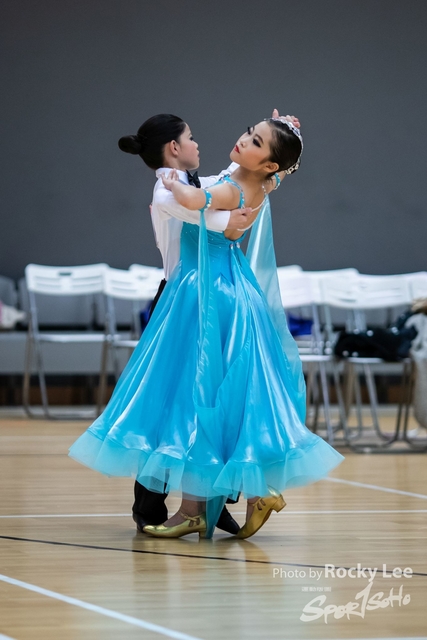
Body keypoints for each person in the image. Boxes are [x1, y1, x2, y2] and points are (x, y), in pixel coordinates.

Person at [69, 112, 344, 540]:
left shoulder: (221, 185)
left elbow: (199, 199)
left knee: (194, 394)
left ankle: (203, 507)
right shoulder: (250, 182)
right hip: (220, 290)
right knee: (210, 396)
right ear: (174, 148)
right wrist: (282, 149)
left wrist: (179, 184)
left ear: (268, 163)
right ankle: (222, 499)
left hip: (206, 294)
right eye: (249, 134)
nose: (241, 141)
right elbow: (208, 200)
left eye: (255, 141)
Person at [119, 113, 253, 536]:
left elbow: (229, 180)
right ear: (174, 147)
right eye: (190, 138)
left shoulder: (193, 183)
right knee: (166, 402)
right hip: (180, 302)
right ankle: (149, 505)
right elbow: (204, 213)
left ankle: (212, 501)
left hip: (209, 301)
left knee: (215, 400)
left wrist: (278, 140)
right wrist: (229, 220)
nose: (197, 144)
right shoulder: (166, 189)